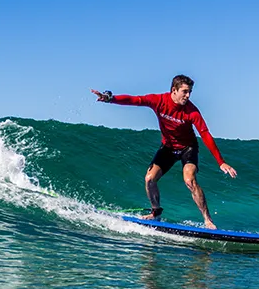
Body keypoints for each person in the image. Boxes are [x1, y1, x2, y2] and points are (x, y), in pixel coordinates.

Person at [92, 75, 237, 229]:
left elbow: (205, 134)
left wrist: (220, 162)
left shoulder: (192, 111)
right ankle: (156, 212)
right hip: (168, 147)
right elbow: (135, 100)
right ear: (174, 90)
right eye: (185, 91)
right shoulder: (159, 100)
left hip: (188, 148)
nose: (188, 95)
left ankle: (207, 219)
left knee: (189, 180)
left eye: (190, 92)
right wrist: (111, 99)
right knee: (149, 179)